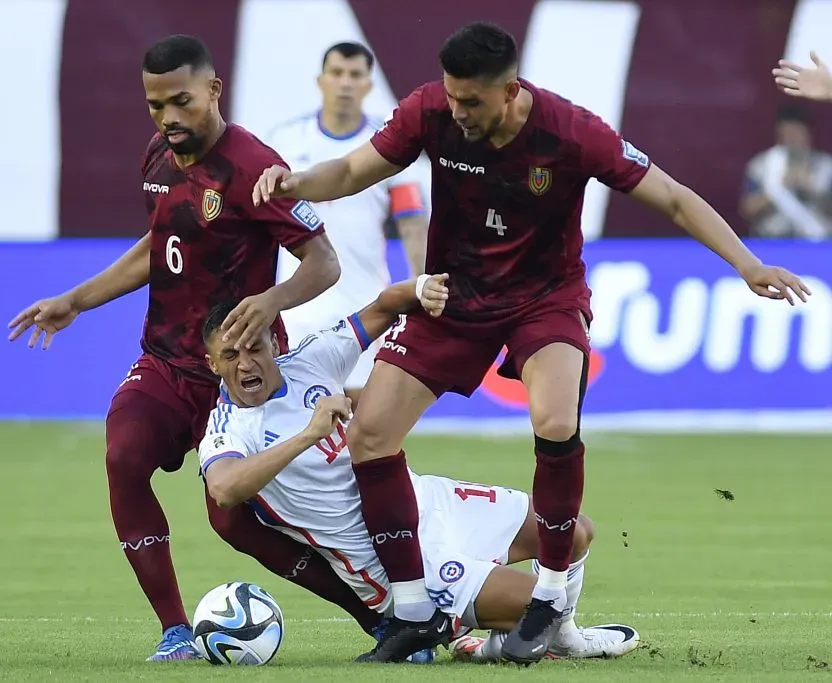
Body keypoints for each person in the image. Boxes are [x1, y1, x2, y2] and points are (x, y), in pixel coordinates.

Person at [252, 21, 812, 664]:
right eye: (451, 96)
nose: (456, 111)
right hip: (455, 296)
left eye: (471, 102)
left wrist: (748, 265)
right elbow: (354, 168)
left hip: (545, 300)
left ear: (510, 90)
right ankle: (410, 611)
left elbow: (675, 200)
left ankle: (549, 594)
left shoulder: (571, 131)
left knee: (553, 419)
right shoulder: (430, 108)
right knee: (370, 437)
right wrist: (296, 183)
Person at [6, 34, 385, 662]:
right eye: (155, 105)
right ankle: (176, 632)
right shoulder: (160, 155)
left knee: (233, 520)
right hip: (166, 359)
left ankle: (374, 620)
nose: (168, 118)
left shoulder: (255, 168)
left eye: (181, 102)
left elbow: (324, 263)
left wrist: (271, 302)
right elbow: (160, 246)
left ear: (213, 90)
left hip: (241, 374)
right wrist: (77, 299)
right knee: (124, 454)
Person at [195, 277, 639, 663]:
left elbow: (384, 307)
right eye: (230, 355)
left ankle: (560, 637)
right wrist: (308, 435)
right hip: (390, 562)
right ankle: (488, 646)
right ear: (213, 364)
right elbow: (225, 489)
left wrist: (422, 286)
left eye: (255, 346)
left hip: (425, 502)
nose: (245, 363)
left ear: (275, 342)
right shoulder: (229, 428)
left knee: (575, 531)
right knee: (535, 606)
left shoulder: (311, 360)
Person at [265, 42, 428, 399]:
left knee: (363, 425)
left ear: (369, 84)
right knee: (292, 416)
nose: (345, 83)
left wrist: (419, 281)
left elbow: (412, 221)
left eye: (355, 75)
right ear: (320, 80)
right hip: (298, 304)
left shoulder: (389, 145)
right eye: (337, 73)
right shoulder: (285, 141)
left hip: (364, 304)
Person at [740, 104, 832, 239]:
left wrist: (810, 190)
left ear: (808, 133)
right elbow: (747, 210)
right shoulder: (761, 165)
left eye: (796, 133)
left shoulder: (827, 166)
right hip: (772, 241)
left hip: (819, 242)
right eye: (786, 133)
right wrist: (778, 190)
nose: (791, 139)